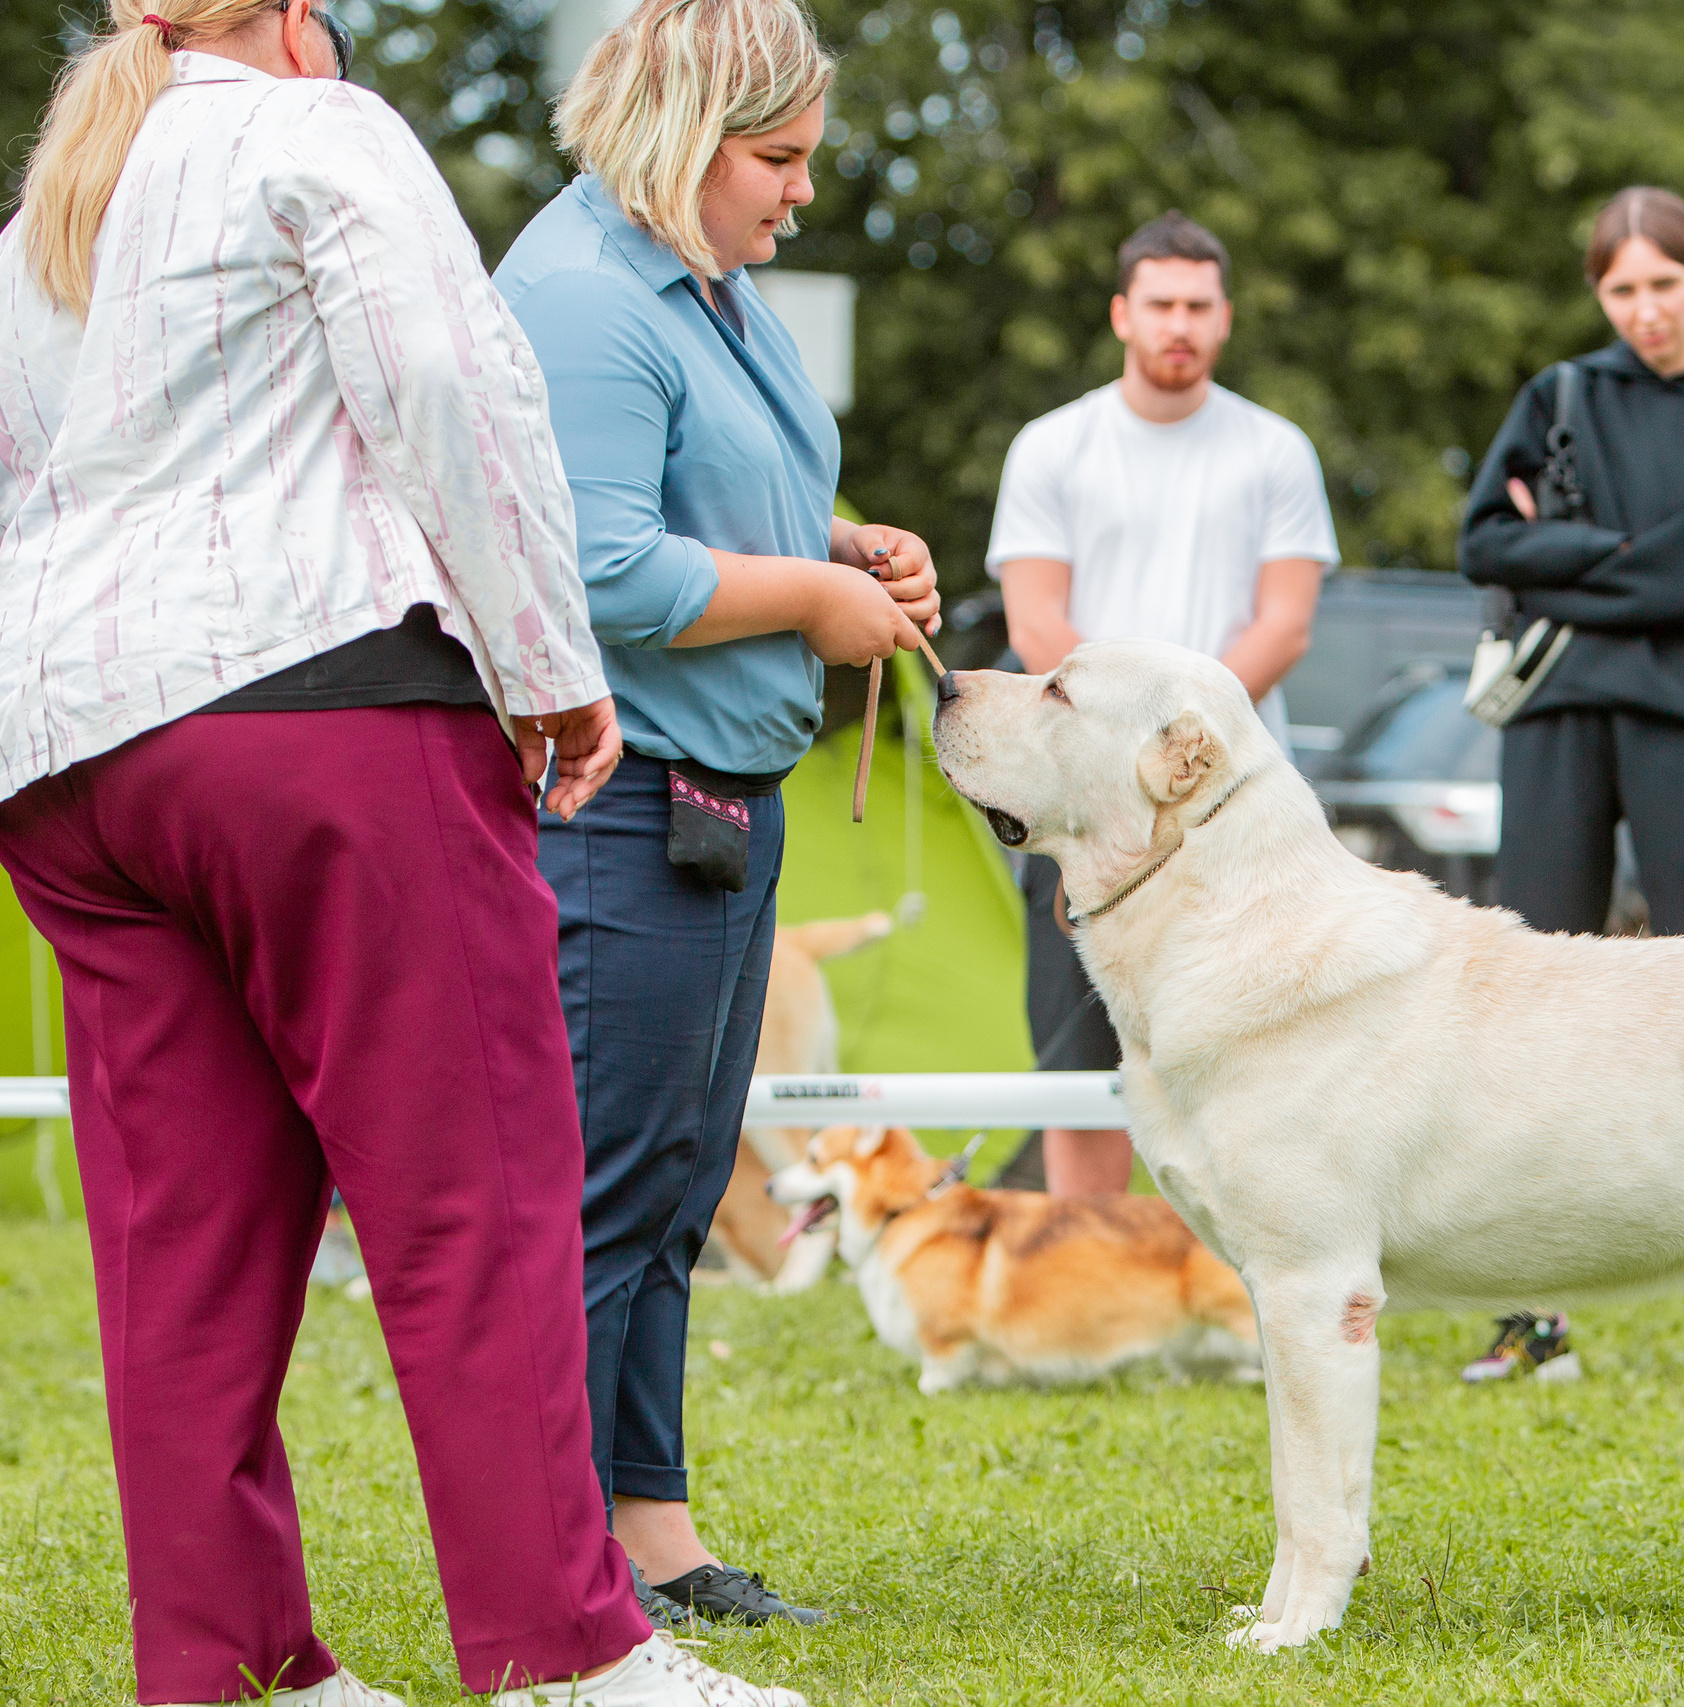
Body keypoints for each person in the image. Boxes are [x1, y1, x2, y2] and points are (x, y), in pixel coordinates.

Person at [0, 5, 799, 1705]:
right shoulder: (321, 131)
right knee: (473, 1188)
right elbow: (449, 391)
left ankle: (233, 1660)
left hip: (66, 751)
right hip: (320, 704)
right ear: (298, 21)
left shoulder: (47, 215)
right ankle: (568, 1650)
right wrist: (551, 668)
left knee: (181, 1236)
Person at [496, 0, 937, 1637]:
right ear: (684, 137)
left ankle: (654, 1538)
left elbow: (717, 496)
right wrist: (806, 597)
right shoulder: (581, 301)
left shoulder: (710, 286)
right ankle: (560, 1570)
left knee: (681, 1181)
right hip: (615, 815)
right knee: (608, 1191)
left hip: (719, 804)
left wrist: (848, 545)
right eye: (780, 158)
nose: (802, 192)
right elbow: (597, 563)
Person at [1455, 186, 1684, 1383]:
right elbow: (1481, 546)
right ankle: (1531, 1309)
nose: (1644, 310)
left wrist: (1574, 557)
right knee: (1528, 987)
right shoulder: (1558, 396)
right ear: (1599, 293)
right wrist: (1638, 564)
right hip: (1553, 712)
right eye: (1620, 289)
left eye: (1662, 283)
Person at [986, 211, 1338, 1197]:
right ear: (1120, 315)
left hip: (1234, 803)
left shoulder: (1275, 452)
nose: (1177, 325)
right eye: (1159, 305)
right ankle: (1082, 1278)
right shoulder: (1052, 448)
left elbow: (1284, 626)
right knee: (1079, 1053)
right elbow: (1036, 620)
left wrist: (1182, 755)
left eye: (1197, 305)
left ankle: (1239, 1285)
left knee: (1250, 1051)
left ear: (1224, 318)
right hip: (1078, 802)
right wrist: (1123, 760)